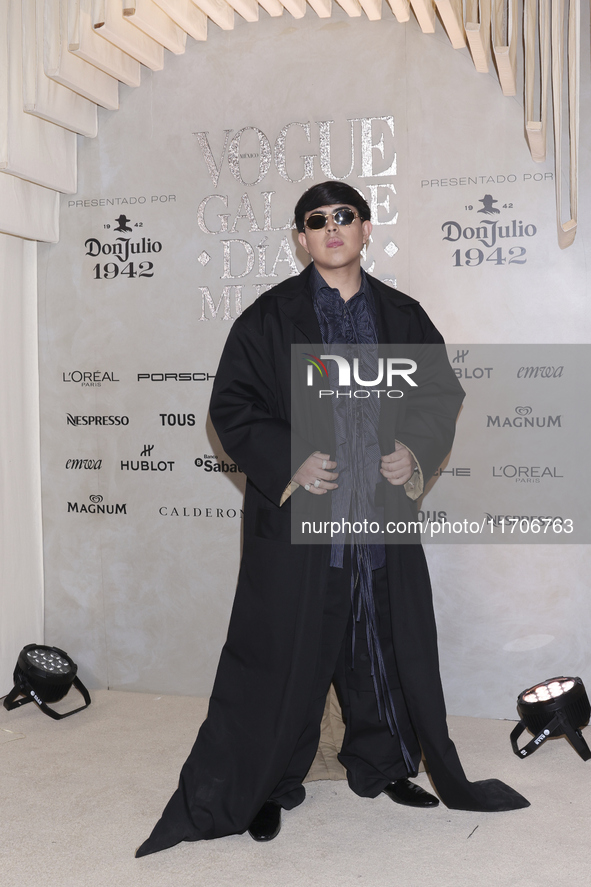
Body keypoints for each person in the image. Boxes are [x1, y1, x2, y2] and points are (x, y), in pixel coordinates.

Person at [135, 182, 529, 858]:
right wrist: (290, 460)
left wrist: (414, 451)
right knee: (282, 654)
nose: (331, 228)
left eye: (343, 216)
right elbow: (230, 408)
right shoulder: (268, 318)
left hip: (376, 519)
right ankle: (268, 782)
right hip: (298, 526)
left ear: (366, 228)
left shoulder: (401, 315)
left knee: (378, 641)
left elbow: (438, 392)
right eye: (316, 221)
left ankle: (382, 765)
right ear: (300, 238)